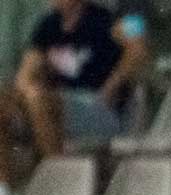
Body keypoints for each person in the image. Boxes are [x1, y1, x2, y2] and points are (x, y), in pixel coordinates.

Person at [1, 0, 149, 185]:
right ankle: (2, 189)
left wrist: (113, 84)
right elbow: (25, 75)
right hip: (58, 103)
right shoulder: (48, 25)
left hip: (99, 107)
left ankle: (60, 181)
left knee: (38, 99)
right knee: (10, 101)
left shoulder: (113, 18)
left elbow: (138, 50)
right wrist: (24, 94)